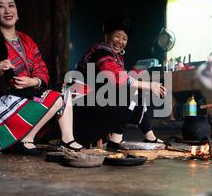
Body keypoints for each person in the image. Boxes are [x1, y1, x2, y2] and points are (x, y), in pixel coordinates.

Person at [0, 0, 83, 155]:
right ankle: (26, 139)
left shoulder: (27, 41)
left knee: (65, 90)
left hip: (26, 93)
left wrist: (34, 82)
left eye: (11, 5)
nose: (7, 10)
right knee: (54, 98)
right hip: (1, 100)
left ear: (17, 13)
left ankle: (68, 140)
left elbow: (41, 68)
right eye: (0, 7)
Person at [71, 15, 167, 150]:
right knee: (128, 93)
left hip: (97, 99)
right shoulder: (100, 52)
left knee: (135, 96)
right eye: (117, 36)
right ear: (106, 36)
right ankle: (115, 140)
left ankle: (149, 137)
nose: (120, 41)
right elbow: (116, 77)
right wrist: (149, 85)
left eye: (124, 38)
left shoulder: (115, 56)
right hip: (82, 103)